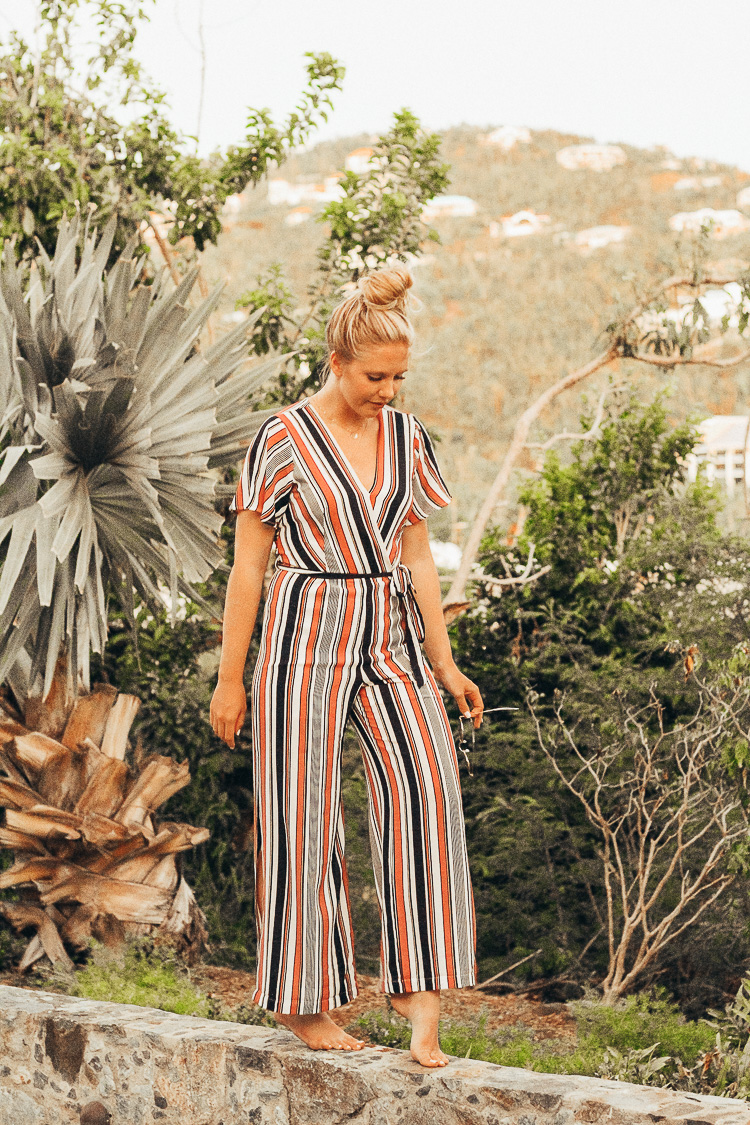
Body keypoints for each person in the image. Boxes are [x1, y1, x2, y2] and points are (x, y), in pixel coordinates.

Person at [210, 265, 483, 1068]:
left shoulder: (406, 438)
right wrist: (232, 678)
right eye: (375, 376)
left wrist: (443, 658)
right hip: (304, 627)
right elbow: (248, 568)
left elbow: (419, 554)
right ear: (337, 362)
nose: (388, 390)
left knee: (426, 789)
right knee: (303, 811)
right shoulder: (282, 438)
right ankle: (303, 1000)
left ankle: (421, 1001)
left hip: (388, 626)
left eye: (400, 376)